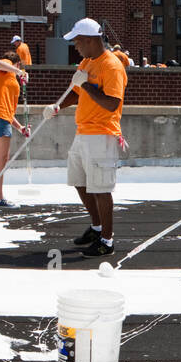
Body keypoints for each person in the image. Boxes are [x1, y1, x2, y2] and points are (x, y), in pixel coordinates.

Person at [41, 18, 127, 257]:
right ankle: (97, 227)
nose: (75, 47)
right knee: (79, 181)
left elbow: (111, 103)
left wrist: (87, 85)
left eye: (78, 42)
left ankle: (107, 242)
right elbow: (76, 93)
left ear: (90, 40)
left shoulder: (111, 66)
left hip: (102, 133)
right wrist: (57, 107)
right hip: (84, 132)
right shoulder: (86, 62)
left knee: (101, 189)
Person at [0, 52, 30, 208]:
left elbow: (9, 113)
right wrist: (18, 71)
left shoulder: (10, 81)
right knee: (1, 160)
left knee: (2, 160)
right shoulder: (6, 68)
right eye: (19, 66)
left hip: (0, 118)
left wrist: (21, 127)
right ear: (16, 64)